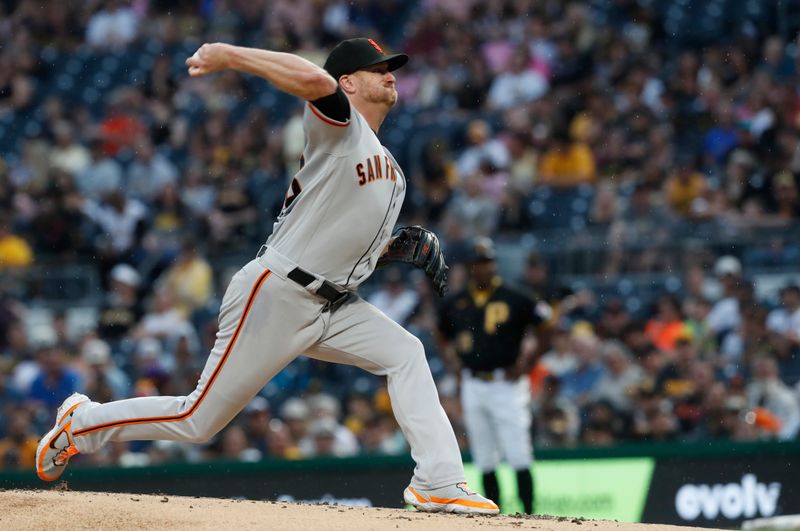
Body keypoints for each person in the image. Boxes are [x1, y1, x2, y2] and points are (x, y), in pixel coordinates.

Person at [35, 37, 498, 515]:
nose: (390, 74)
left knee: (406, 353)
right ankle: (81, 423)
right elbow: (315, 81)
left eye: (391, 67)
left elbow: (343, 245)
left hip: (333, 302)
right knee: (199, 419)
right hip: (277, 292)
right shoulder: (340, 129)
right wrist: (230, 56)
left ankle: (439, 481)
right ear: (348, 82)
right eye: (377, 68)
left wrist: (391, 248)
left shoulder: (394, 173)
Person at [437, 237, 551, 514]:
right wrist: (453, 365)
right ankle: (493, 516)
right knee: (484, 454)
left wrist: (527, 365)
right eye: (478, 263)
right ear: (470, 267)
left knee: (518, 452)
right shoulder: (457, 301)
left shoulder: (515, 296)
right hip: (474, 382)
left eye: (487, 262)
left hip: (507, 382)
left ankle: (529, 513)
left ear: (494, 264)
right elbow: (440, 334)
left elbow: (546, 326)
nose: (483, 268)